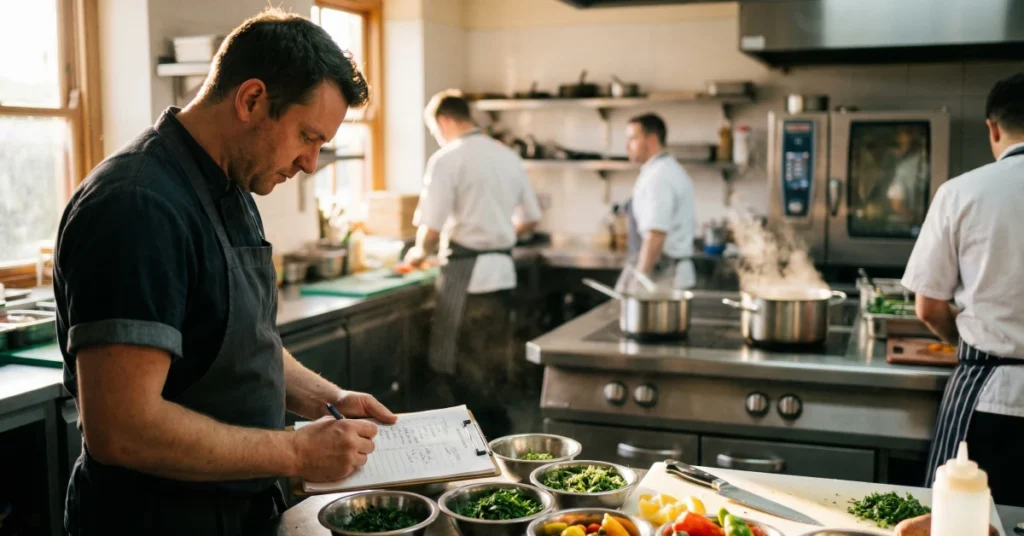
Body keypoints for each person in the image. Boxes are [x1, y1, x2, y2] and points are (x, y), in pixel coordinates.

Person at [53, 10, 397, 535]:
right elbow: (122, 428)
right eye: (308, 136)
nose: (311, 163)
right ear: (251, 99)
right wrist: (295, 451)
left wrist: (328, 400)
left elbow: (239, 342)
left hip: (238, 511)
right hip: (158, 521)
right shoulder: (137, 205)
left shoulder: (233, 184)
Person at [901, 72, 1024, 506]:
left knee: (959, 521)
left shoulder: (961, 192)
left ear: (992, 128)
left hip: (987, 395)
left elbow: (929, 307)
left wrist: (966, 342)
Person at [404, 89, 542, 439]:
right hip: (502, 275)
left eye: (434, 130)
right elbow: (529, 219)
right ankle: (499, 438)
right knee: (495, 361)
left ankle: (469, 443)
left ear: (444, 121)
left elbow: (431, 228)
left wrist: (417, 253)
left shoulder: (448, 159)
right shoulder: (507, 156)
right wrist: (495, 232)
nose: (436, 137)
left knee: (456, 364)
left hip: (467, 278)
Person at [618, 113, 696, 291]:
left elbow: (656, 234)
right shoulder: (665, 169)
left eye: (632, 139)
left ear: (651, 140)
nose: (626, 146)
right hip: (665, 273)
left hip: (661, 277)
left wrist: (640, 279)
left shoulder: (658, 177)